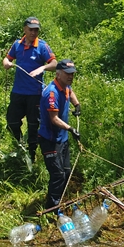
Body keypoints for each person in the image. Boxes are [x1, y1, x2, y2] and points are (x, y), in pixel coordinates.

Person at [2, 17, 57, 163]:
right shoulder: (17, 45)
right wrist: (7, 63)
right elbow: (7, 59)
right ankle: (20, 144)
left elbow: (54, 64)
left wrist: (43, 67)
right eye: (31, 29)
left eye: (36, 30)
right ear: (24, 29)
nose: (33, 32)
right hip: (18, 92)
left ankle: (31, 154)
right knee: (11, 121)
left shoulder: (42, 46)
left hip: (35, 93)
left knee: (33, 124)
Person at [37, 59, 82, 210]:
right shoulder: (52, 93)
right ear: (58, 74)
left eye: (72, 74)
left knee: (67, 172)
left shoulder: (65, 86)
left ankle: (60, 199)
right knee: (58, 174)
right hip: (50, 140)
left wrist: (77, 104)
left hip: (62, 139)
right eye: (68, 74)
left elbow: (71, 91)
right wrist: (71, 129)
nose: (71, 77)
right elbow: (53, 118)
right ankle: (52, 207)